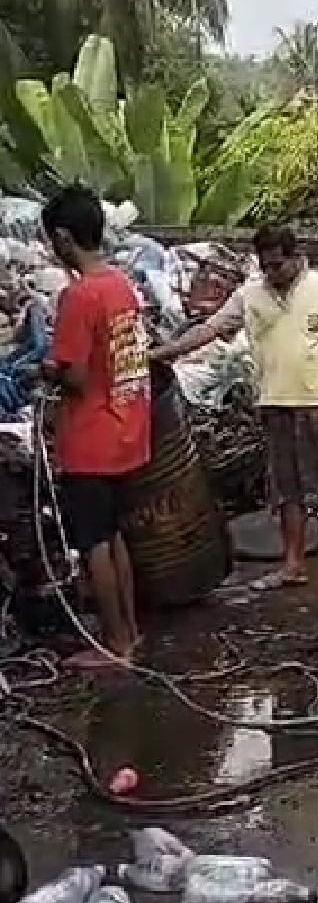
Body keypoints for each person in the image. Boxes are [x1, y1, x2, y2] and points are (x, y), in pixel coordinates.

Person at [152, 224, 318, 596]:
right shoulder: (250, 295)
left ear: (296, 257)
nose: (273, 273)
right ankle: (293, 564)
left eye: (279, 266)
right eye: (266, 266)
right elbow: (210, 329)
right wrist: (162, 354)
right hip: (274, 403)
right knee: (286, 489)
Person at [41, 185, 150, 669]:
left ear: (64, 238)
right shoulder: (121, 285)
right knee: (114, 535)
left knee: (92, 542)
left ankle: (114, 645)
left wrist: (47, 371)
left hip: (90, 437)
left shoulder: (79, 296)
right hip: (128, 430)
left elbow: (77, 376)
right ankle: (130, 631)